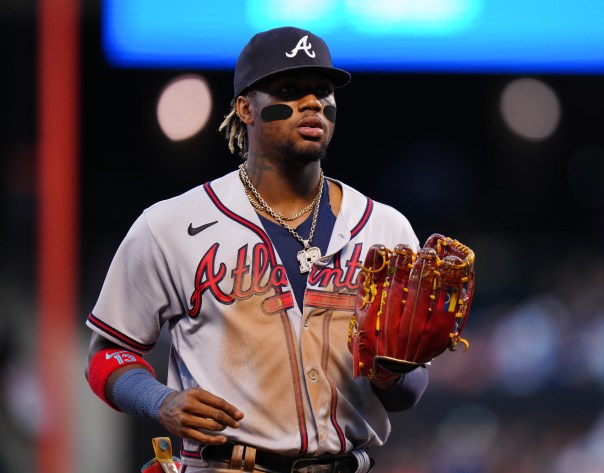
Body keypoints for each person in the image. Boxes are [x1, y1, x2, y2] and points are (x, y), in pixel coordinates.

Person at [85, 26, 429, 473]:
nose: (313, 103)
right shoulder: (170, 225)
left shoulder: (387, 228)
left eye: (323, 91)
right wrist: (160, 401)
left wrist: (391, 370)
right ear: (246, 108)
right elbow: (107, 355)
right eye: (290, 90)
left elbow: (410, 393)